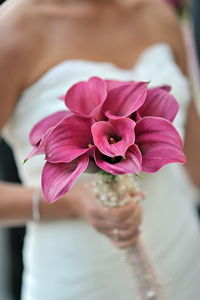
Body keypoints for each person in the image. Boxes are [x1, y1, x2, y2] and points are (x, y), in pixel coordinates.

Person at [0, 0, 200, 299]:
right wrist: (70, 202)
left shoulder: (159, 14)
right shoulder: (14, 30)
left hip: (181, 252)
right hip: (82, 277)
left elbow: (194, 154)